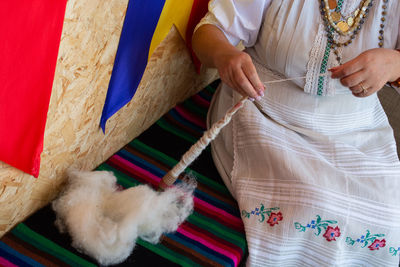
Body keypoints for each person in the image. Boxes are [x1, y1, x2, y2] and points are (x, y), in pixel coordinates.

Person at [192, 0, 400, 265]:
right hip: (267, 114)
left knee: (391, 220)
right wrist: (224, 56)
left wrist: (394, 64)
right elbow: (209, 31)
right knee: (311, 206)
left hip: (356, 128)